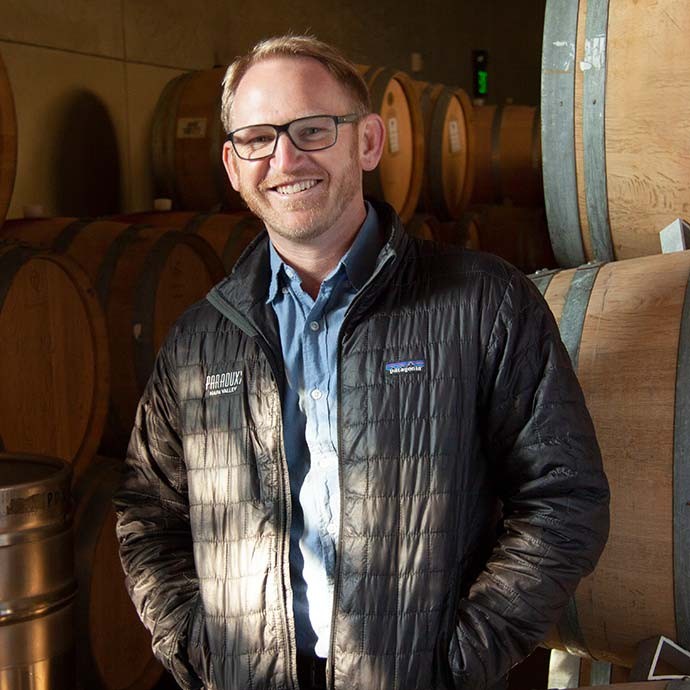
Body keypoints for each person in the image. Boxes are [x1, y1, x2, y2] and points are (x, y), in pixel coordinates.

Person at [114, 35, 609, 690]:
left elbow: (563, 495)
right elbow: (148, 517)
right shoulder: (200, 339)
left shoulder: (483, 303)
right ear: (233, 167)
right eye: (258, 138)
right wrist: (201, 650)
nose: (285, 158)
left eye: (313, 130)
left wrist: (455, 660)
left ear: (369, 142)